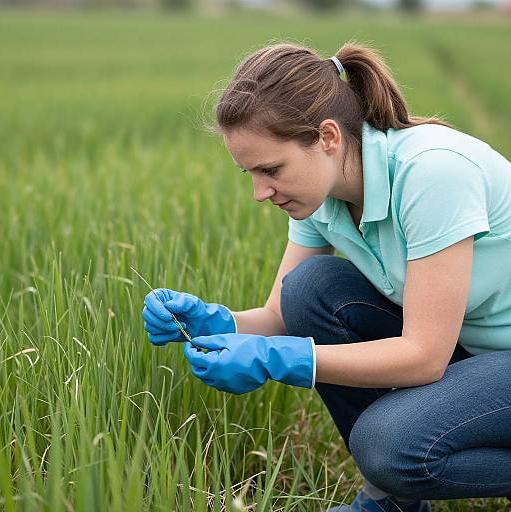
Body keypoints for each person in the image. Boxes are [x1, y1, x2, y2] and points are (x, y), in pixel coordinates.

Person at [142, 42, 511, 511]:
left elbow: (424, 357)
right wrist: (216, 323)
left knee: (387, 445)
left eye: (270, 169)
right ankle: (391, 503)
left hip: (477, 352)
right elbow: (281, 315)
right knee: (310, 289)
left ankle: (392, 481)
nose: (260, 192)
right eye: (249, 174)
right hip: (481, 348)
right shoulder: (320, 193)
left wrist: (283, 359)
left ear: (328, 137)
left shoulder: (433, 173)